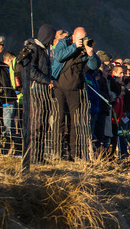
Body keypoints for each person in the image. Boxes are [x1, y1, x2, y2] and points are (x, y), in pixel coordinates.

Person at [51, 27, 99, 160]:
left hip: (76, 89)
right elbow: (59, 57)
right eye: (81, 39)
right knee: (59, 120)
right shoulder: (64, 43)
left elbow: (95, 66)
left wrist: (91, 54)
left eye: (85, 38)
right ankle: (58, 152)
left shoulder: (85, 48)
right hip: (60, 87)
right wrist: (74, 46)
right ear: (73, 36)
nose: (83, 41)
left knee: (75, 123)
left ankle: (74, 154)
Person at [22, 23, 59, 163]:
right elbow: (31, 71)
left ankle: (39, 157)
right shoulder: (34, 50)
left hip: (43, 93)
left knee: (42, 125)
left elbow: (44, 72)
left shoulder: (43, 51)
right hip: (35, 92)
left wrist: (52, 79)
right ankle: (32, 157)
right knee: (36, 125)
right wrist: (47, 81)